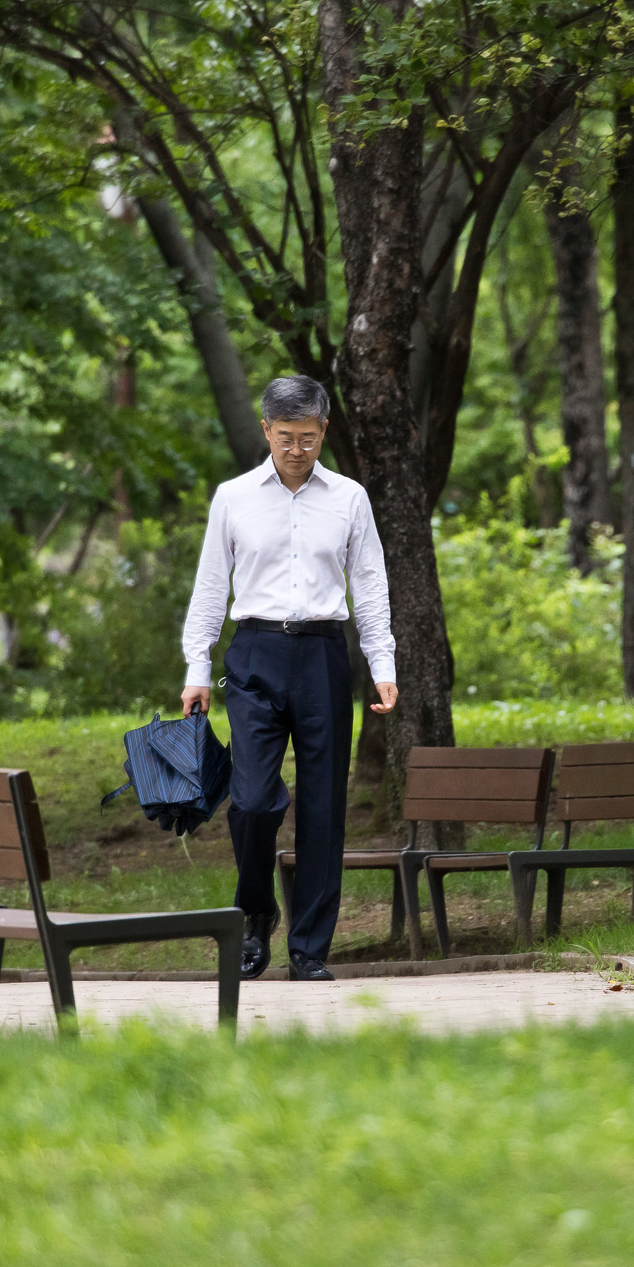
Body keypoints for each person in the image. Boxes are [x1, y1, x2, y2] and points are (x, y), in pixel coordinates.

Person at [181, 375, 397, 981]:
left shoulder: (349, 498)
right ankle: (256, 912)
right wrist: (198, 667)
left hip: (325, 654)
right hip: (254, 653)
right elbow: (210, 586)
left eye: (307, 438)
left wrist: (382, 663)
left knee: (323, 806)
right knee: (252, 801)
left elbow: (370, 583)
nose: (296, 449)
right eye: (284, 437)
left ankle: (310, 949)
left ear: (324, 430)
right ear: (265, 430)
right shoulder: (234, 498)